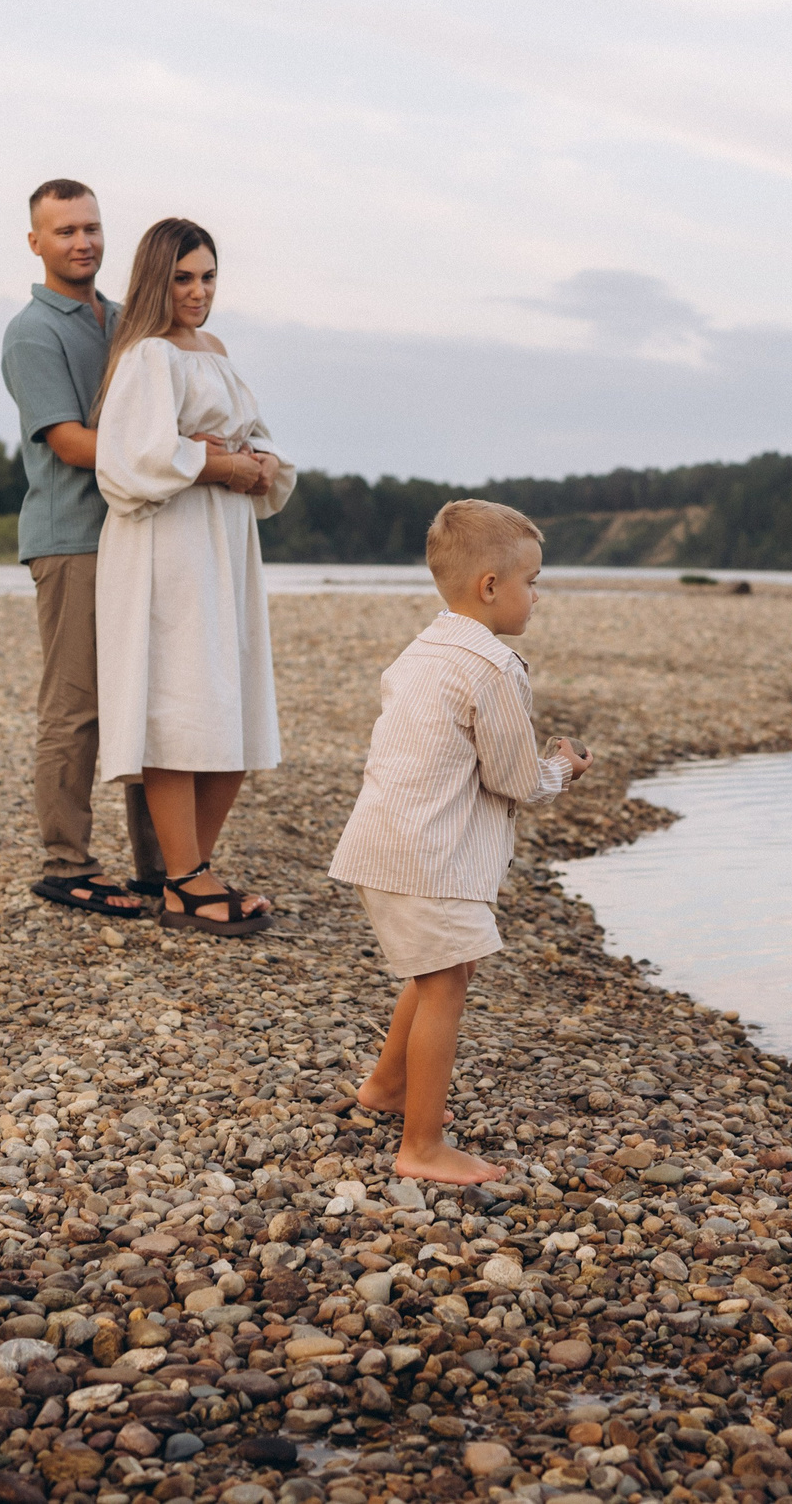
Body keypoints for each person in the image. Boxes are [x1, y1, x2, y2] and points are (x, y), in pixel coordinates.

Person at [328, 500, 592, 1184]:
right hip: (428, 857)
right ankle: (421, 1146)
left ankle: (387, 1086)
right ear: (491, 587)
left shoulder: (425, 647)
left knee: (446, 966)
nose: (537, 596)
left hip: (391, 842)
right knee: (445, 984)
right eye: (532, 581)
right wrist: (560, 768)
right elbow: (514, 779)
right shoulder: (493, 666)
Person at [92, 217, 294, 935]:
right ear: (157, 280)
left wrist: (260, 462)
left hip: (225, 543)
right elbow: (126, 461)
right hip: (168, 546)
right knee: (180, 701)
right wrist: (213, 462)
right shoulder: (147, 356)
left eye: (207, 276)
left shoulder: (216, 350)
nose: (198, 291)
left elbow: (251, 434)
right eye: (183, 278)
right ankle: (184, 880)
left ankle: (194, 869)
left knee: (230, 701)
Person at [0, 178, 151, 919]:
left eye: (91, 227)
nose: (82, 242)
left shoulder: (125, 320)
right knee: (77, 704)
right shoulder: (33, 331)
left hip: (135, 534)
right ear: (36, 242)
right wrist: (179, 458)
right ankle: (67, 861)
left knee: (146, 697)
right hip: (71, 540)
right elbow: (67, 442)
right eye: (64, 231)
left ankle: (163, 865)